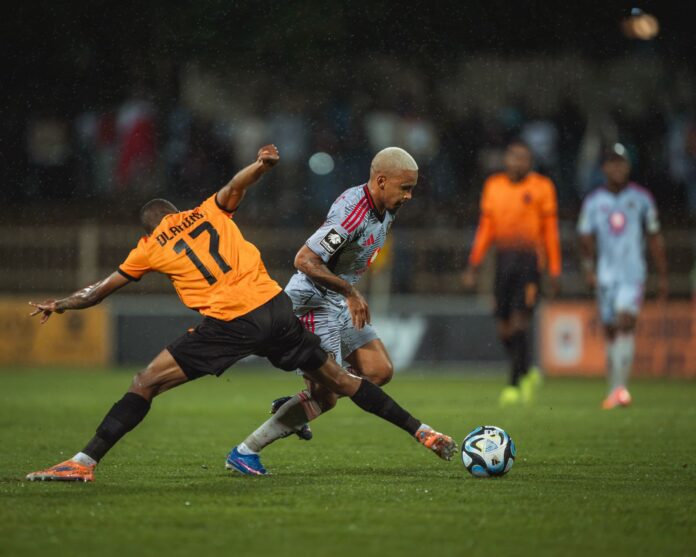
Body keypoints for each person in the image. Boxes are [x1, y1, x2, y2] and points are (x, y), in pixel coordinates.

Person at [25, 145, 456, 482]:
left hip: (233, 321)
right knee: (340, 384)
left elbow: (99, 290)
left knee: (146, 382)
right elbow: (237, 186)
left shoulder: (149, 246)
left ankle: (83, 461)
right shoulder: (206, 210)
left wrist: (61, 303)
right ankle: (421, 431)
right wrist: (262, 165)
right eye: (405, 188)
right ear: (177, 213)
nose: (408, 196)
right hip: (278, 307)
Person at [226, 146, 418, 475]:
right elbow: (304, 260)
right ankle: (245, 452)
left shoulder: (387, 207)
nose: (409, 196)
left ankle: (298, 405)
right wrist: (350, 292)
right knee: (326, 398)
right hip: (313, 300)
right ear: (381, 181)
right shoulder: (351, 213)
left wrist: (346, 292)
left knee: (379, 371)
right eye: (405, 188)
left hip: (337, 299)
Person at [462, 141, 561, 406]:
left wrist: (554, 270)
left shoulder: (542, 186)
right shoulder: (494, 185)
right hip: (503, 261)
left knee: (519, 322)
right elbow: (486, 228)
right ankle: (527, 369)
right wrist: (474, 264)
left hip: (529, 263)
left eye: (523, 158)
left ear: (530, 162)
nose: (518, 162)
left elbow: (550, 231)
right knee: (504, 330)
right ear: (506, 160)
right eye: (514, 157)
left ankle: (514, 384)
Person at [577, 150, 668, 409]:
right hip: (605, 275)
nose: (617, 169)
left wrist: (662, 274)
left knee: (625, 323)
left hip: (632, 274)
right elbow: (585, 237)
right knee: (610, 330)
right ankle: (614, 388)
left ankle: (620, 389)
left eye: (621, 164)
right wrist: (588, 269)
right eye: (612, 164)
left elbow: (654, 235)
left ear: (628, 167)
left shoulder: (641, 198)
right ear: (604, 168)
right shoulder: (594, 201)